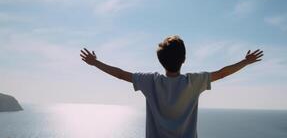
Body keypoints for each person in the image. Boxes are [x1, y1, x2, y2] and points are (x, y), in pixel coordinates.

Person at [80, 35, 263, 138]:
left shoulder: (150, 81)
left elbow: (120, 74)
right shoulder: (193, 82)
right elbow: (222, 73)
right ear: (184, 59)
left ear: (160, 60)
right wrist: (245, 62)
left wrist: (96, 63)